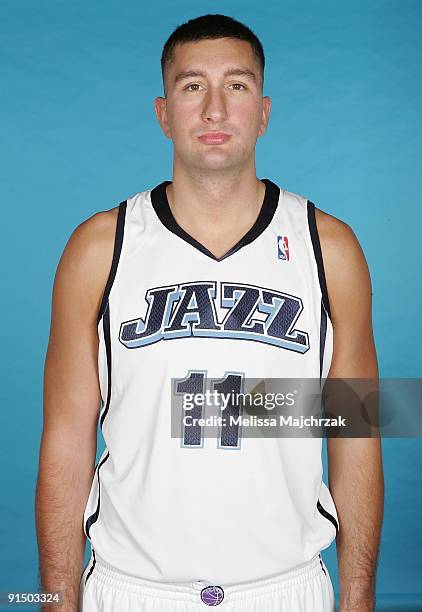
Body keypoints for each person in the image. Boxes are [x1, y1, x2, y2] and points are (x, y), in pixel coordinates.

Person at [35, 13, 384, 612]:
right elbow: (66, 440)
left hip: (286, 588)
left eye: (238, 86)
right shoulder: (99, 248)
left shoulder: (330, 248)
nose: (215, 110)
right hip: (130, 589)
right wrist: (54, 601)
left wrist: (358, 599)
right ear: (163, 113)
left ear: (265, 111)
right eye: (193, 86)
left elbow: (356, 434)